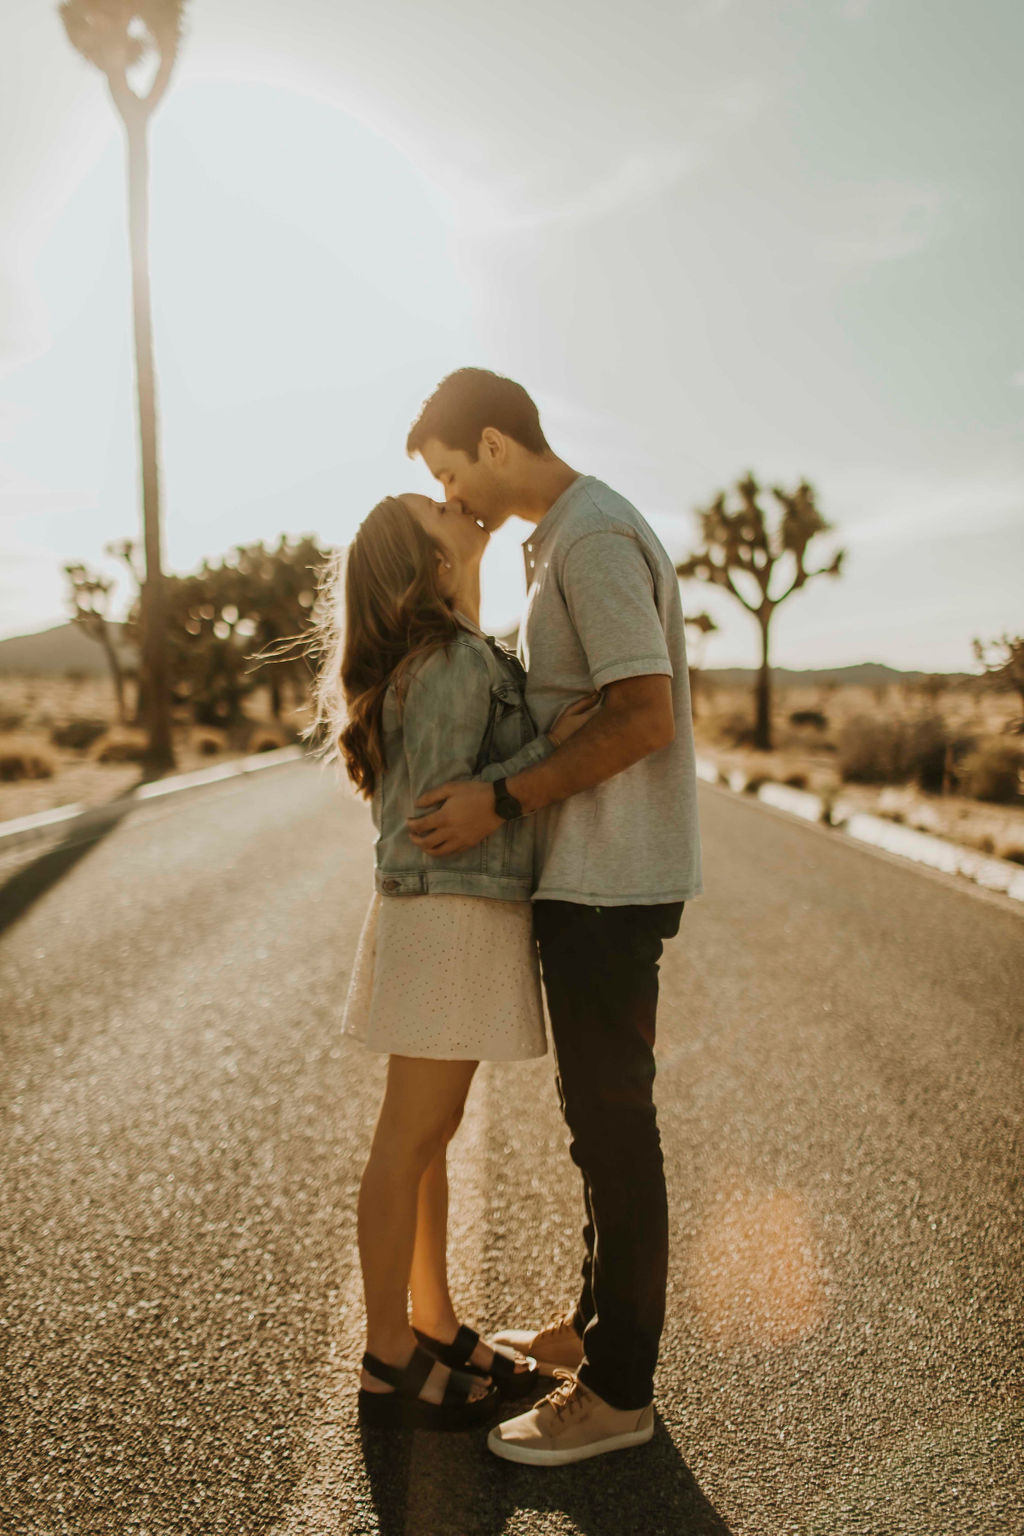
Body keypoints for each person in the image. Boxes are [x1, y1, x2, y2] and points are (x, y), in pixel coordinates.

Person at [404, 368, 703, 1465]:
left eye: (450, 474)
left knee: (615, 1129)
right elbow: (597, 706)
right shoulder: (557, 539)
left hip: (610, 880)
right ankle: (596, 1331)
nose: (454, 498)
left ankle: (620, 1393)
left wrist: (502, 796)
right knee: (597, 1124)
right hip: (588, 875)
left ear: (492, 442)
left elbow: (643, 718)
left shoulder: (588, 538)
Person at [309, 490, 595, 1431]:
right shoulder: (444, 666)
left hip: (452, 919)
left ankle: (429, 1322)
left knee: (427, 1138)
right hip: (446, 917)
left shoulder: (454, 653)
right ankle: (387, 1356)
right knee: (408, 1141)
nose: (455, 503)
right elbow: (438, 813)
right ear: (426, 565)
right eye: (435, 510)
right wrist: (554, 754)